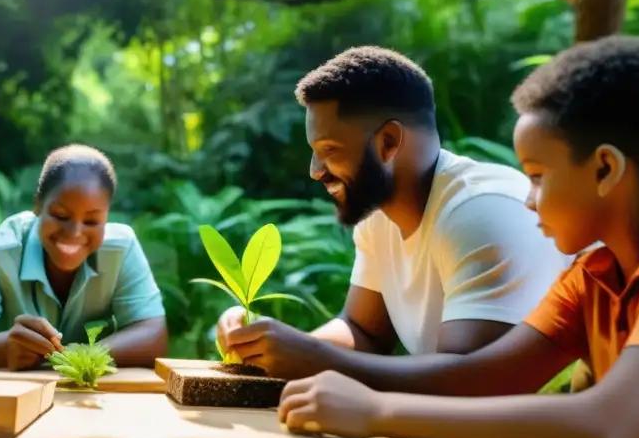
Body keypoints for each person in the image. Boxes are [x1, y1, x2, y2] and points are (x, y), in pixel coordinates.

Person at [276, 35, 639, 438]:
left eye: (538, 176)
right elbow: (482, 379)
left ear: (605, 169)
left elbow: (606, 429)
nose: (527, 200)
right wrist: (316, 364)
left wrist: (378, 412)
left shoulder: (483, 208)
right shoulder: (593, 278)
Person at [217, 46, 571, 380]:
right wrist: (268, 346)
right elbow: (364, 331)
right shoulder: (378, 217)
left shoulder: (481, 210)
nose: (316, 170)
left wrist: (315, 357)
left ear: (388, 142)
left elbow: (471, 380)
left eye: (329, 149)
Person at [0, 143, 168, 371]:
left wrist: (79, 357)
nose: (74, 233)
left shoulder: (120, 249)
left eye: (91, 222)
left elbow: (153, 334)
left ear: (106, 217)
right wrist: (4, 347)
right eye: (60, 216)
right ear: (38, 205)